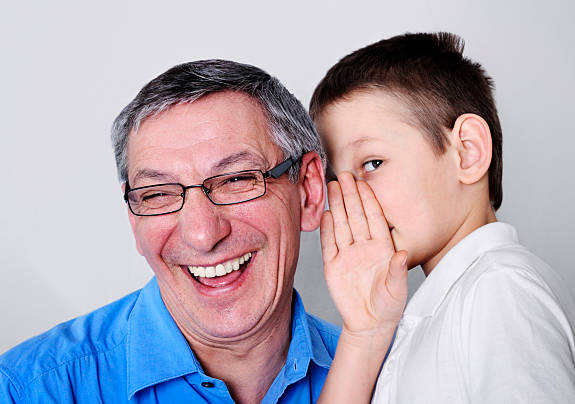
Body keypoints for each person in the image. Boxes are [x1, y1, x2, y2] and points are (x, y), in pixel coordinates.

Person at [0, 60, 339, 403]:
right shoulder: (25, 390)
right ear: (134, 218)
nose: (203, 235)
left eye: (236, 179)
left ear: (308, 191)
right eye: (158, 194)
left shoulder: (385, 374)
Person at [309, 32, 575, 403]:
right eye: (337, 180)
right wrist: (362, 331)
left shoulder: (499, 290)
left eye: (372, 163)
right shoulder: (441, 307)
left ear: (467, 152)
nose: (350, 198)